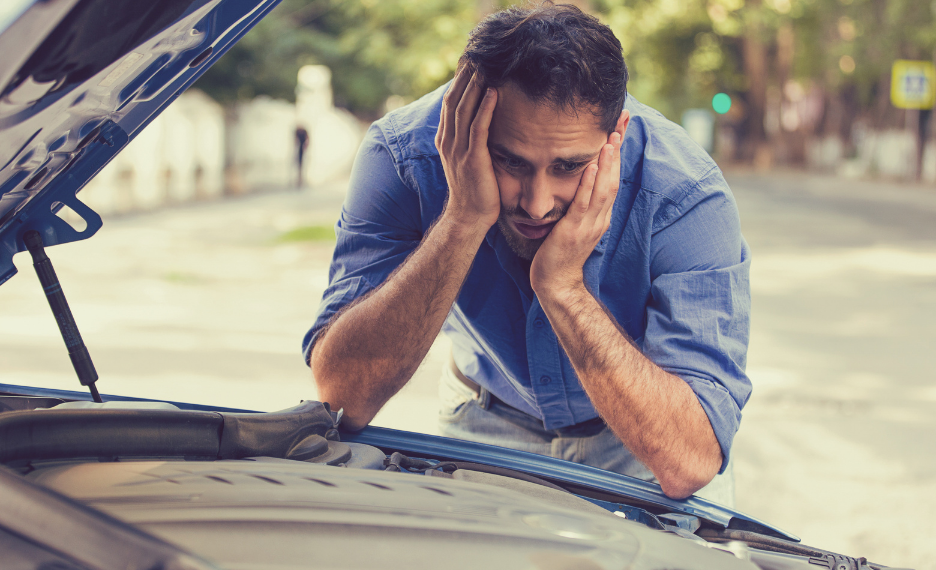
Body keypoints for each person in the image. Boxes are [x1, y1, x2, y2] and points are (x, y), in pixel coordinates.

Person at [302, 3, 750, 503]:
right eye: (508, 160)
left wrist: (562, 289)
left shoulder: (685, 193)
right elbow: (340, 400)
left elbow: (689, 461)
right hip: (482, 421)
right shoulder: (404, 157)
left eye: (568, 166)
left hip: (637, 441)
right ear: (466, 118)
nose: (536, 203)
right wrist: (461, 220)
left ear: (614, 135)